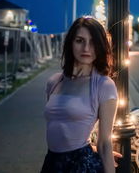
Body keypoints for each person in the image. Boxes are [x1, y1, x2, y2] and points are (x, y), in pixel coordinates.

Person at [41, 16, 118, 173]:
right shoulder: (54, 82)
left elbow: (105, 143)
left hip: (82, 166)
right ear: (70, 43)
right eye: (79, 40)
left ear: (101, 46)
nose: (86, 48)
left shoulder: (104, 85)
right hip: (51, 162)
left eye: (93, 42)